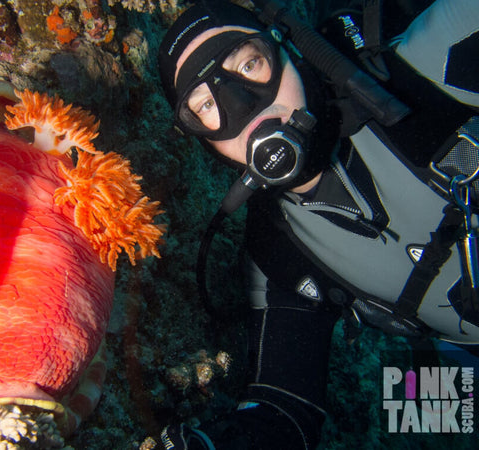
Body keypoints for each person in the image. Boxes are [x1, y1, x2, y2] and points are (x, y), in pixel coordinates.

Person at [156, 0, 479, 448]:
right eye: (207, 104)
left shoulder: (423, 68)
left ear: (289, 48)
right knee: (428, 418)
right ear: (204, 143)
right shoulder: (278, 255)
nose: (247, 109)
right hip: (458, 351)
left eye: (250, 63)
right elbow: (284, 409)